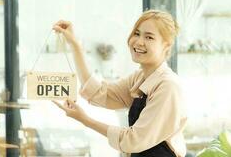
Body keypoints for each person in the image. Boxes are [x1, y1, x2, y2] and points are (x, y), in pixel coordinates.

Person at [52, 10, 187, 157]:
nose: (139, 42)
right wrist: (75, 45)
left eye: (149, 37)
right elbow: (100, 93)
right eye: (136, 33)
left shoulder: (168, 86)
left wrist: (85, 120)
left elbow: (133, 140)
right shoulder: (140, 78)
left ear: (166, 46)